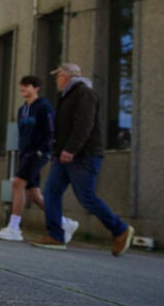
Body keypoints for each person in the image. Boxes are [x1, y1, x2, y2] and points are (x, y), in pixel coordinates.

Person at [31, 63, 135, 256]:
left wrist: (70, 149)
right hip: (64, 156)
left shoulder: (84, 93)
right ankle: (56, 236)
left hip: (82, 156)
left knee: (86, 198)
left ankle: (120, 229)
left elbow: (84, 124)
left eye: (58, 75)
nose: (56, 79)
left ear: (68, 76)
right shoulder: (68, 95)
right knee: (51, 192)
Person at [0, 76, 78, 242]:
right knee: (34, 195)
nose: (23, 88)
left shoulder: (44, 107)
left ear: (36, 88)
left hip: (38, 154)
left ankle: (14, 228)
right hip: (25, 154)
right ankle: (64, 222)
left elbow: (52, 130)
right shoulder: (22, 109)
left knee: (17, 183)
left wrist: (43, 150)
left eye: (27, 85)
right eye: (21, 85)